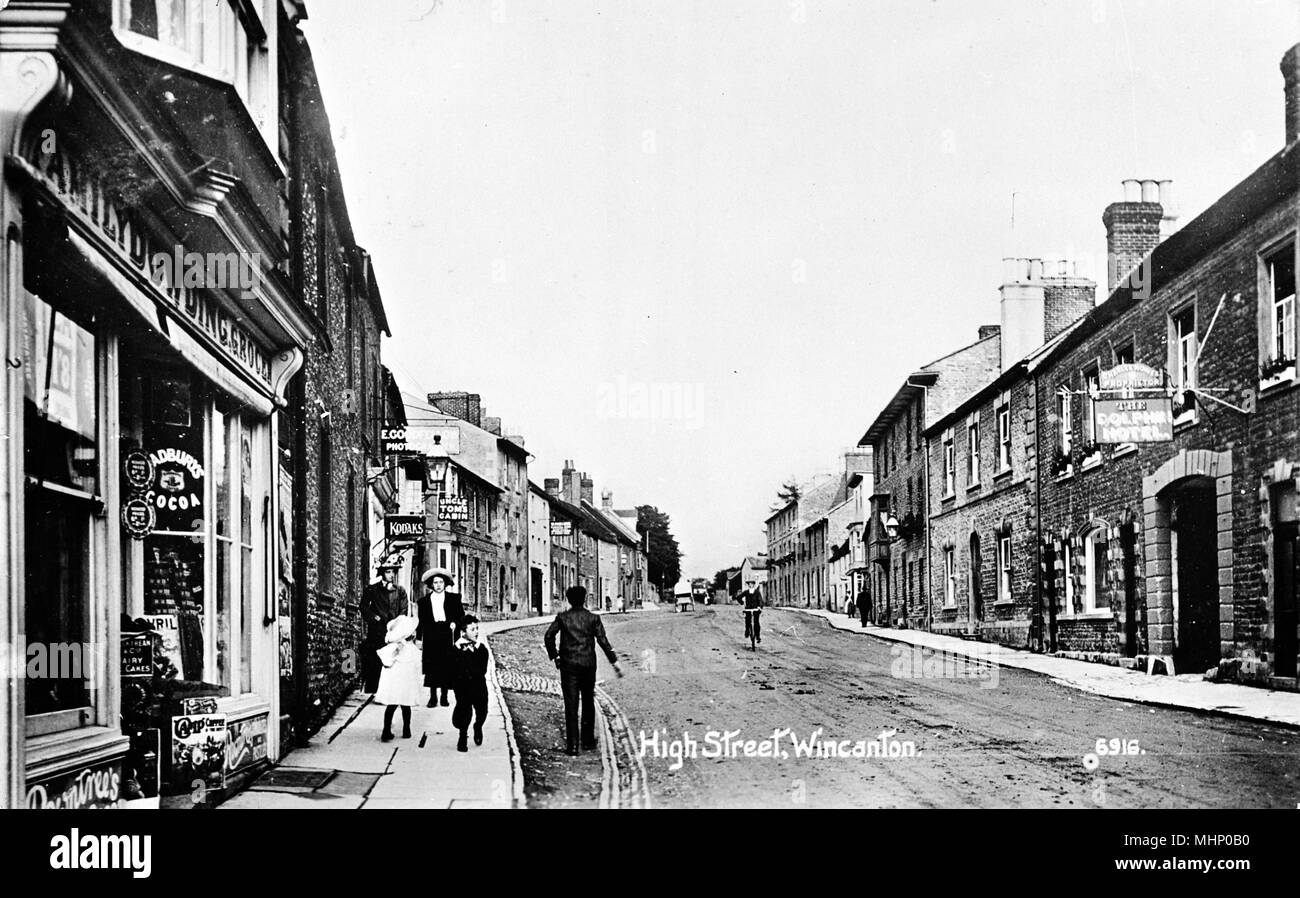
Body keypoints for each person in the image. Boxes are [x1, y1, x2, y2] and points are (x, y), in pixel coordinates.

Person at [544, 586, 622, 756]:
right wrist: (614, 661)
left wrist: (555, 656)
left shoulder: (562, 617)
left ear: (568, 600)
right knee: (588, 702)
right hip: (588, 665)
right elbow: (603, 641)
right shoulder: (593, 618)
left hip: (568, 666)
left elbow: (548, 636)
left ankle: (572, 746)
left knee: (571, 704)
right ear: (585, 599)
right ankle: (587, 742)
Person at [417, 568, 464, 707]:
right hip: (431, 634)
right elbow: (421, 622)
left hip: (447, 633)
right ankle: (433, 697)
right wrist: (419, 639)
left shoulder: (454, 599)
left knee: (446, 665)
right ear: (431, 584)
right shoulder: (424, 602)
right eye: (435, 582)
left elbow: (461, 617)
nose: (438, 585)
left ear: (445, 584)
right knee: (432, 666)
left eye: (441, 582)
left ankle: (444, 696)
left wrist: (456, 623)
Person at [361, 559, 407, 693]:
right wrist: (373, 617)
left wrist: (397, 624)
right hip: (377, 631)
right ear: (382, 573)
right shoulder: (373, 589)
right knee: (376, 659)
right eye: (388, 572)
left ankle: (390, 691)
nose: (391, 575)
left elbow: (403, 610)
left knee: (393, 660)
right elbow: (363, 607)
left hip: (394, 631)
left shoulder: (400, 591)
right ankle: (374, 690)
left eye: (393, 572)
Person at [375, 610, 421, 741]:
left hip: (399, 682)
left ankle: (390, 730)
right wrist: (396, 651)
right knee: (405, 706)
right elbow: (387, 660)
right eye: (412, 632)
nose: (414, 634)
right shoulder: (398, 646)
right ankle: (404, 730)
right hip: (401, 681)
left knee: (393, 706)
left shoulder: (405, 646)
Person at [450, 615, 489, 752]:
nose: (476, 632)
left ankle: (478, 726)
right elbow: (454, 670)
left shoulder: (482, 649)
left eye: (477, 629)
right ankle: (462, 737)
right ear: (463, 632)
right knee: (464, 711)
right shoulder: (456, 649)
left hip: (479, 686)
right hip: (463, 687)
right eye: (472, 629)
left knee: (482, 711)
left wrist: (471, 655)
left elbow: (482, 670)